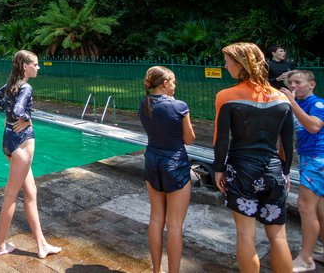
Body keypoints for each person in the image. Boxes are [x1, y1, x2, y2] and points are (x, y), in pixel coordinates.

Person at [214, 42, 294, 273]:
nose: (226, 65)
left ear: (241, 65)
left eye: (228, 62)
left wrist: (218, 169)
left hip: (242, 172)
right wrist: (286, 171)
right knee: (278, 236)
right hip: (273, 171)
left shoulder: (227, 96)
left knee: (246, 234)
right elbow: (287, 143)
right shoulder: (281, 98)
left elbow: (221, 139)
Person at [0, 50, 62, 259]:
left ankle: (42, 245)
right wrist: (27, 118)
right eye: (35, 64)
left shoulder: (12, 84)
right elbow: (18, 111)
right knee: (11, 197)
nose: (38, 68)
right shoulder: (26, 87)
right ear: (25, 66)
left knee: (31, 193)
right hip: (22, 144)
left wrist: (10, 112)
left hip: (8, 141)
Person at [139, 66, 195, 273]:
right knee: (174, 225)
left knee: (155, 218)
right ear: (164, 83)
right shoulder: (179, 106)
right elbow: (189, 139)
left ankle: (156, 270)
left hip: (152, 161)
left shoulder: (144, 104)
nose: (175, 85)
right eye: (173, 82)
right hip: (175, 164)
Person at [280, 70, 324, 272]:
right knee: (320, 210)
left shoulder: (317, 104)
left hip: (318, 159)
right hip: (309, 158)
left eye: (298, 82)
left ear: (312, 84)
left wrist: (292, 103)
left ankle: (306, 258)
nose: (293, 86)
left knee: (305, 207)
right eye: (290, 83)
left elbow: (314, 126)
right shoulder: (299, 105)